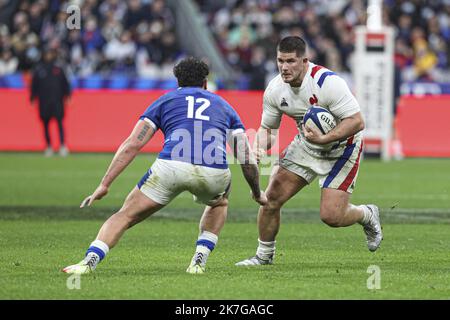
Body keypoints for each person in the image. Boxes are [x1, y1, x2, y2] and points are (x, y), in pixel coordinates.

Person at [62, 57, 267, 275]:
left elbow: (132, 144)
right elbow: (245, 158)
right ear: (206, 83)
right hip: (213, 170)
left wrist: (104, 184)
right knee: (219, 203)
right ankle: (198, 261)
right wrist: (256, 192)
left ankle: (89, 262)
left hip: (170, 167)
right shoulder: (225, 107)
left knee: (124, 215)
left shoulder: (165, 101)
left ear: (177, 81)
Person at [236, 36, 382, 266]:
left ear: (305, 61)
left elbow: (356, 121)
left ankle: (367, 214)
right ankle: (263, 257)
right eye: (280, 61)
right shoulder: (275, 89)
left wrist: (325, 138)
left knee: (332, 216)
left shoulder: (327, 83)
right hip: (307, 145)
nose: (284, 67)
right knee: (270, 198)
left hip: (343, 148)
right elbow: (268, 130)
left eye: (291, 61)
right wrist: (257, 148)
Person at [30, 48, 71, 157]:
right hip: (44, 102)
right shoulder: (39, 70)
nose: (48, 56)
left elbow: (65, 84)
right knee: (45, 125)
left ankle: (62, 146)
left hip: (57, 101)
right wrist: (33, 98)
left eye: (50, 54)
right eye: (46, 54)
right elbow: (34, 86)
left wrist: (68, 96)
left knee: (59, 124)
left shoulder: (58, 69)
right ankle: (48, 146)